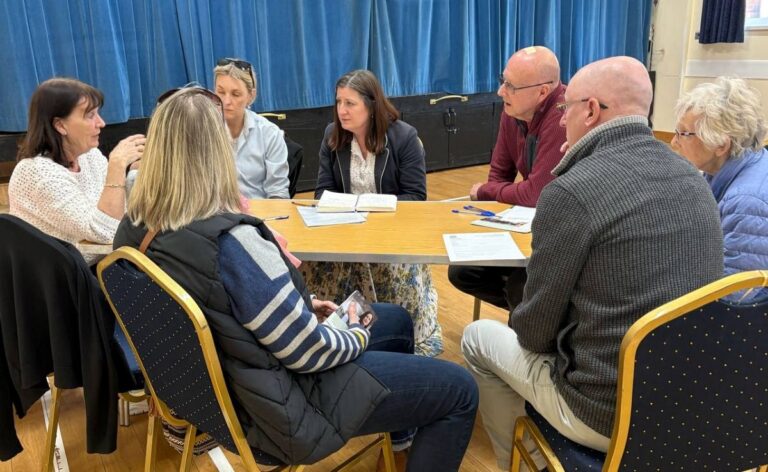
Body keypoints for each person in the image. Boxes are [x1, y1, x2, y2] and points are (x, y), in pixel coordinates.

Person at [114, 87, 478, 471]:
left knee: (396, 320)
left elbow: (221, 305)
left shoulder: (134, 231)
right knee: (460, 389)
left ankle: (399, 434)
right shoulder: (234, 242)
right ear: (217, 153)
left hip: (221, 395)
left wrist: (300, 308)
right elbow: (309, 353)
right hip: (283, 410)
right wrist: (353, 334)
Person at [461, 56, 724, 471]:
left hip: (605, 414)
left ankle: (530, 463)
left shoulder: (573, 191)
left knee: (477, 339)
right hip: (692, 403)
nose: (562, 120)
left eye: (566, 110)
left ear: (591, 110)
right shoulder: (695, 179)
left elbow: (533, 334)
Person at [302, 69, 443, 357]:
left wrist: (366, 207)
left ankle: (391, 333)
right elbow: (322, 192)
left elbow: (416, 198)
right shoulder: (332, 136)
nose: (342, 110)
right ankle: (330, 336)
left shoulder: (404, 138)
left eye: (350, 103)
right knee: (310, 263)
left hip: (390, 234)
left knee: (389, 269)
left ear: (372, 104)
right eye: (339, 102)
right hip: (345, 231)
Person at [449, 46, 567, 311]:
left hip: (559, 234)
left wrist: (487, 191)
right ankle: (535, 317)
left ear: (542, 92)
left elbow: (538, 195)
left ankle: (537, 321)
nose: (501, 92)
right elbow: (498, 176)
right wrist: (491, 192)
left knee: (520, 288)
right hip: (526, 224)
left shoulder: (562, 116)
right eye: (503, 81)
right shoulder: (512, 112)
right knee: (462, 273)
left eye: (511, 86)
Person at [9, 78, 144, 265]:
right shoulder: (37, 173)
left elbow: (124, 214)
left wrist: (136, 176)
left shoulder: (90, 156)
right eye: (90, 115)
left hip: (103, 264)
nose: (101, 123)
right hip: (65, 279)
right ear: (60, 126)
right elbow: (107, 232)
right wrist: (117, 166)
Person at [672, 77, 768, 304]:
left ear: (721, 145)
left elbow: (734, 297)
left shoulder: (746, 202)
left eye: (683, 134)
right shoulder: (734, 167)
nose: (674, 143)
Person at [214, 57, 290, 199]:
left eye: (236, 94)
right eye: (221, 92)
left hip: (257, 216)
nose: (226, 101)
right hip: (216, 216)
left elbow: (278, 193)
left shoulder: (269, 134)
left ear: (251, 96)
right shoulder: (203, 132)